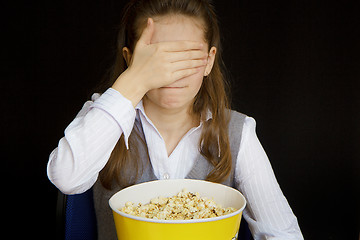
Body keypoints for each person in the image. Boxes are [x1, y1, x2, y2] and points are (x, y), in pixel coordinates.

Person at [47, 0, 303, 239]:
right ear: (129, 59)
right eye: (157, 59)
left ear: (208, 61)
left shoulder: (238, 132)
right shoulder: (103, 115)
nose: (172, 74)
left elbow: (281, 232)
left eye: (187, 57)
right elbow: (66, 177)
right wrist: (135, 80)